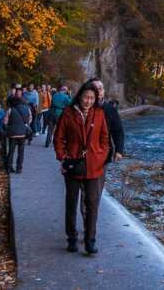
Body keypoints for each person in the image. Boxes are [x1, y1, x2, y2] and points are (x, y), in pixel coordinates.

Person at [53, 84, 109, 255]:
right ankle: (71, 237)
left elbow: (104, 137)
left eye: (92, 99)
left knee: (92, 203)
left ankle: (90, 240)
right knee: (71, 203)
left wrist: (101, 155)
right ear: (79, 96)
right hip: (73, 163)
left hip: (93, 165)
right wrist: (63, 156)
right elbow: (58, 137)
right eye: (86, 97)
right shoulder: (68, 114)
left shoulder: (98, 114)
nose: (88, 101)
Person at [80, 79, 124, 219]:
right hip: (82, 155)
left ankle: (91, 219)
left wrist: (119, 150)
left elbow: (118, 131)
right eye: (96, 88)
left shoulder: (110, 110)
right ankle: (87, 218)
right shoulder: (82, 108)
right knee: (84, 189)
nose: (99, 91)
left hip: (102, 157)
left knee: (96, 190)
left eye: (101, 88)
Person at [4, 95, 32, 174]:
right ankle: (19, 167)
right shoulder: (27, 109)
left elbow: (5, 121)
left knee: (11, 150)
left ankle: (9, 167)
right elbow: (30, 120)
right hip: (22, 133)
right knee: (21, 151)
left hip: (12, 133)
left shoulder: (10, 110)